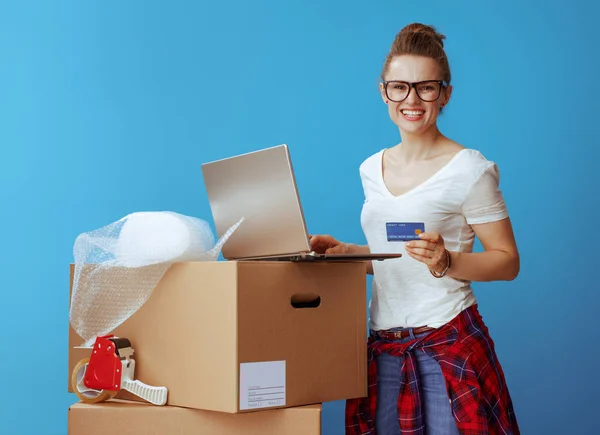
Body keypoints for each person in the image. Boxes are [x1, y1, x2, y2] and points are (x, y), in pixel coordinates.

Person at [310, 23, 521, 435]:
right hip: (382, 347)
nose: (412, 99)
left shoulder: (470, 170)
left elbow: (508, 261)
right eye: (399, 87)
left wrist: (448, 261)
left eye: (426, 87)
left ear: (445, 94)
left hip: (447, 341)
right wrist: (348, 253)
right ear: (383, 91)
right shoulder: (371, 168)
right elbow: (396, 257)